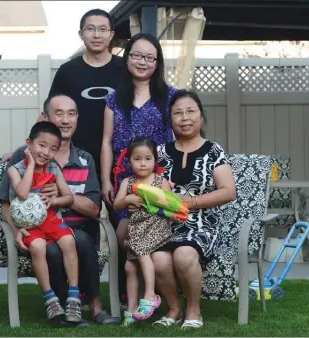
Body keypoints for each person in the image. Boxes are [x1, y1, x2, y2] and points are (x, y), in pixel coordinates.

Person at [0, 94, 120, 326]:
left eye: (71, 114)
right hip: (34, 230)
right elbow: (5, 201)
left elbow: (94, 209)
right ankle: (61, 309)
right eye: (58, 113)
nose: (65, 120)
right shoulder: (23, 156)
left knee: (80, 239)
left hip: (72, 227)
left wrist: (63, 198)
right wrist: (15, 231)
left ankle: (94, 306)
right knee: (54, 249)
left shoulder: (85, 159)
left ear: (77, 120)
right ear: (44, 117)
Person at [147, 89, 236, 329]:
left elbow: (228, 191)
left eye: (190, 111)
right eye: (178, 113)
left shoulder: (213, 151)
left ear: (200, 115)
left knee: (184, 255)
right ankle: (174, 308)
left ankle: (194, 310)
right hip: (166, 222)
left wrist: (191, 202)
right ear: (171, 120)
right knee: (158, 259)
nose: (184, 118)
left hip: (202, 223)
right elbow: (151, 186)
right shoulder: (162, 152)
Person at [101, 32, 177, 247]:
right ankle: (127, 282)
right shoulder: (113, 100)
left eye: (149, 58)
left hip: (158, 179)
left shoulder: (171, 97)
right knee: (124, 240)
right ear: (127, 58)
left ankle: (155, 281)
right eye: (137, 55)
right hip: (124, 181)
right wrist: (106, 181)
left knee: (155, 239)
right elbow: (106, 142)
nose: (142, 62)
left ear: (157, 63)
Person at [7, 121, 80, 322]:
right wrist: (31, 166)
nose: (46, 152)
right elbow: (22, 193)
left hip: (50, 219)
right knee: (38, 247)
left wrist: (54, 200)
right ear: (28, 144)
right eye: (41, 145)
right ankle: (50, 299)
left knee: (69, 242)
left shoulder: (54, 168)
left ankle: (73, 296)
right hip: (29, 225)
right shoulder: (15, 170)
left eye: (53, 148)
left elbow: (69, 198)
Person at [113, 137, 182, 326]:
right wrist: (128, 200)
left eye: (147, 158)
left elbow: (170, 206)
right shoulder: (127, 182)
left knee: (142, 254)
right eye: (137, 159)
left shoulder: (160, 182)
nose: (143, 163)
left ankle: (150, 295)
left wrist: (174, 215)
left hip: (157, 229)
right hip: (136, 230)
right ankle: (131, 309)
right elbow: (117, 206)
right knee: (129, 268)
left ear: (154, 161)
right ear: (129, 161)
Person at [48, 9, 123, 180]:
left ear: (111, 34)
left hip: (120, 157)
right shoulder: (68, 71)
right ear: (81, 34)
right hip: (77, 158)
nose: (97, 35)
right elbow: (50, 113)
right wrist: (28, 146)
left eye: (102, 29)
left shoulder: (125, 69)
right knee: (77, 206)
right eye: (91, 29)